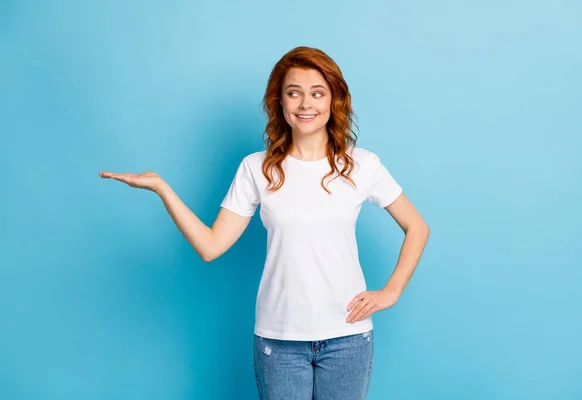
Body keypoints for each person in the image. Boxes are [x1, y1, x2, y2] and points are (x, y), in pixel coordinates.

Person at [99, 46, 430, 400]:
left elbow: (417, 227)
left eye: (317, 93)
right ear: (281, 102)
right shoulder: (256, 169)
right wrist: (163, 189)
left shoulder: (361, 165)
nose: (305, 104)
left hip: (347, 338)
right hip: (279, 342)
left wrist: (391, 290)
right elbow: (211, 247)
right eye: (294, 93)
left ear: (333, 99)